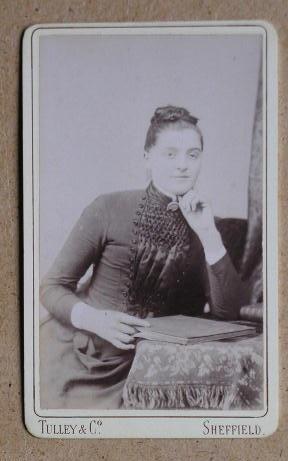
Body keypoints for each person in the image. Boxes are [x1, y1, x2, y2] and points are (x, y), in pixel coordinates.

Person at [39, 105, 248, 409]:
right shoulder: (108, 208)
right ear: (148, 158)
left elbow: (229, 314)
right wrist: (95, 320)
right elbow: (51, 287)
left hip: (154, 371)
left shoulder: (207, 227)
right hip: (81, 359)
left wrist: (208, 233)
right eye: (170, 154)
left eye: (193, 154)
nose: (182, 166)